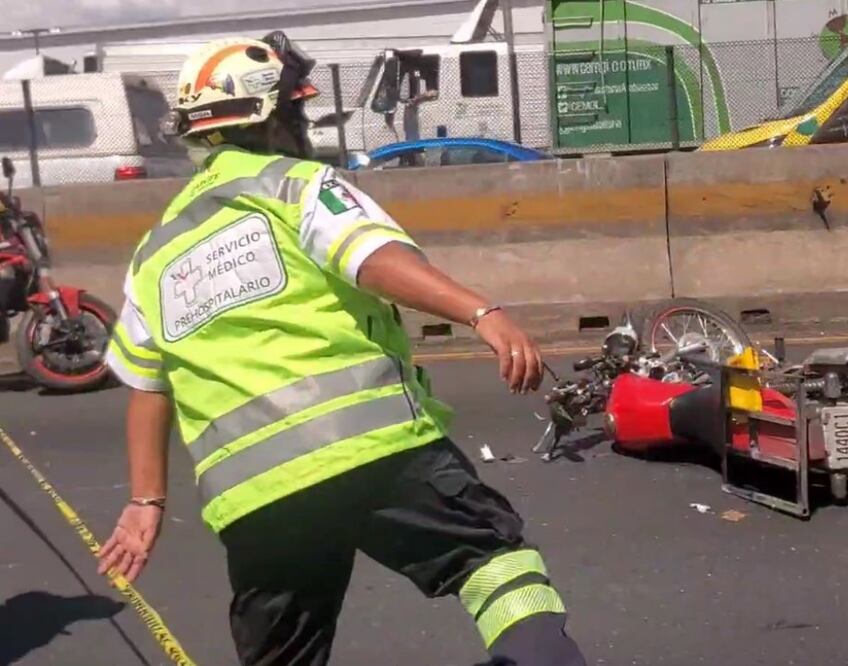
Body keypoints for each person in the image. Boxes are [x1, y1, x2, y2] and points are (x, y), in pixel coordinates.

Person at [95, 31, 588, 666]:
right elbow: (370, 257)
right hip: (372, 449)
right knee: (499, 569)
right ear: (272, 117)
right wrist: (481, 312)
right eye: (296, 111)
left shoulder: (153, 253)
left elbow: (148, 385)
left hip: (255, 496)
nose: (304, 125)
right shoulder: (296, 185)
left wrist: (145, 500)